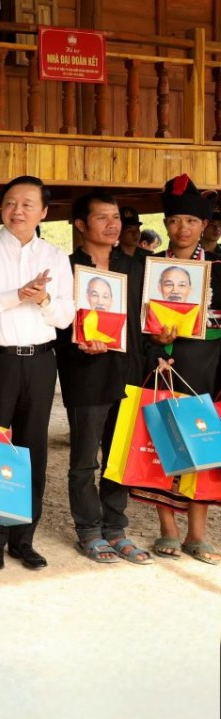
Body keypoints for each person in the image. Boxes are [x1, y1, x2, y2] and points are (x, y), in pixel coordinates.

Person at [0, 175, 75, 571]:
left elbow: (66, 316)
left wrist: (43, 298)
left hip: (42, 361)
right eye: (11, 202)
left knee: (33, 451)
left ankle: (22, 538)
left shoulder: (56, 257)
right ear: (1, 208)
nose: (18, 211)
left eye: (28, 204)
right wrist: (18, 295)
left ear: (44, 212)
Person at [58, 192, 151, 565]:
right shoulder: (67, 269)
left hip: (129, 374)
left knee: (119, 458)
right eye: (103, 218)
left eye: (116, 218)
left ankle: (116, 528)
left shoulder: (135, 267)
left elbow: (145, 323)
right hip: (86, 373)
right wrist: (79, 344)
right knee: (84, 460)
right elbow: (58, 324)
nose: (113, 225)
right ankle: (89, 531)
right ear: (81, 225)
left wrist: (158, 351)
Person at [132, 174, 221, 565]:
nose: (181, 228)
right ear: (166, 224)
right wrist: (155, 343)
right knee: (162, 446)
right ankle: (167, 529)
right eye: (173, 221)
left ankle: (197, 535)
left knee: (201, 448)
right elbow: (136, 326)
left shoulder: (219, 269)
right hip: (162, 367)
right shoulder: (148, 269)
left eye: (190, 221)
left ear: (204, 226)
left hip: (209, 370)